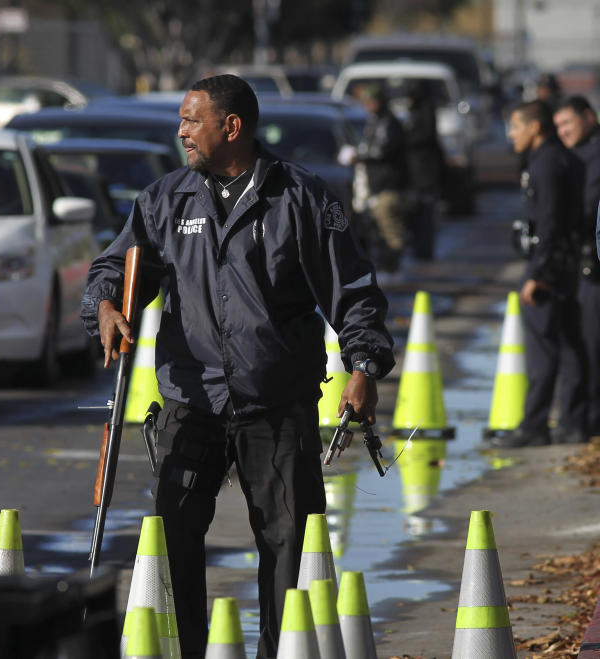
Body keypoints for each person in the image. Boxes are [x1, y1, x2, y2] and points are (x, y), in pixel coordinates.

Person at [80, 74, 395, 659]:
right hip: (190, 399)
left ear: (232, 127)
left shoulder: (302, 197)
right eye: (180, 120)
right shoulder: (164, 200)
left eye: (191, 120)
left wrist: (365, 365)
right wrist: (102, 305)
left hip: (274, 404)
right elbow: (113, 268)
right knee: (175, 537)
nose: (181, 132)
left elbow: (352, 291)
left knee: (285, 545)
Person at [493, 100, 587, 447]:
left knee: (543, 350)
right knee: (570, 344)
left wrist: (538, 272)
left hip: (549, 268)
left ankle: (534, 426)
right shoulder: (561, 158)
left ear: (535, 128)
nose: (512, 135)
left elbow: (550, 223)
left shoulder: (547, 164)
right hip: (563, 264)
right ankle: (573, 422)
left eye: (516, 127)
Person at [554, 96, 600, 438]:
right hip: (575, 263)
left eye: (568, 124)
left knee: (588, 343)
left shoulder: (594, 155)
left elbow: (585, 211)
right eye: (558, 127)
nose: (563, 132)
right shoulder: (577, 154)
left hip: (590, 265)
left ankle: (584, 422)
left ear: (588, 117)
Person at [356, 83, 408, 274]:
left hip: (387, 185)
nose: (368, 106)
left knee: (389, 227)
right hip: (375, 185)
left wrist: (359, 156)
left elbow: (381, 150)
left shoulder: (388, 123)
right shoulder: (374, 121)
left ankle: (393, 268)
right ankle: (387, 266)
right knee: (377, 228)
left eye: (371, 101)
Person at [403, 79, 445, 261]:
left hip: (424, 173)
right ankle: (419, 248)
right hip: (415, 173)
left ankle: (424, 249)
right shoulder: (415, 112)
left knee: (425, 212)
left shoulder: (426, 111)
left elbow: (425, 137)